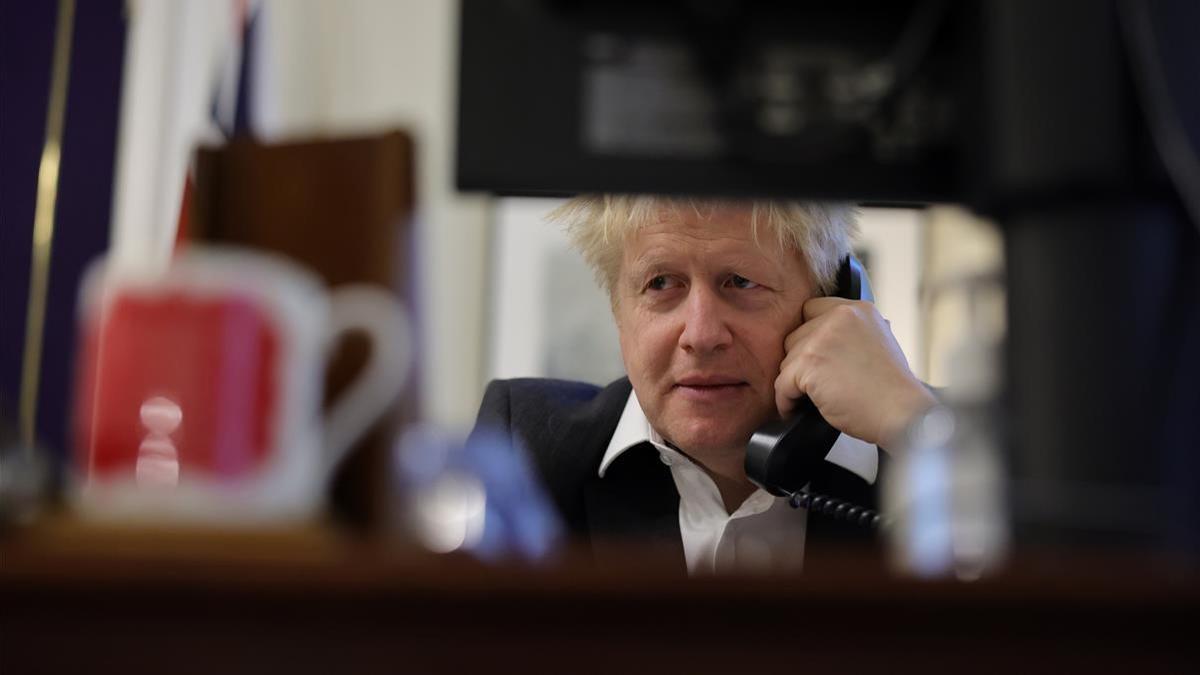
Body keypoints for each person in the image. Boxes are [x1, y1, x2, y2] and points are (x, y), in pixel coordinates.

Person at [472, 195, 937, 574]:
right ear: (619, 313)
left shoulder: (946, 441)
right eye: (661, 284)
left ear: (831, 304)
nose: (701, 334)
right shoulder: (525, 451)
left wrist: (914, 427)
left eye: (740, 281)